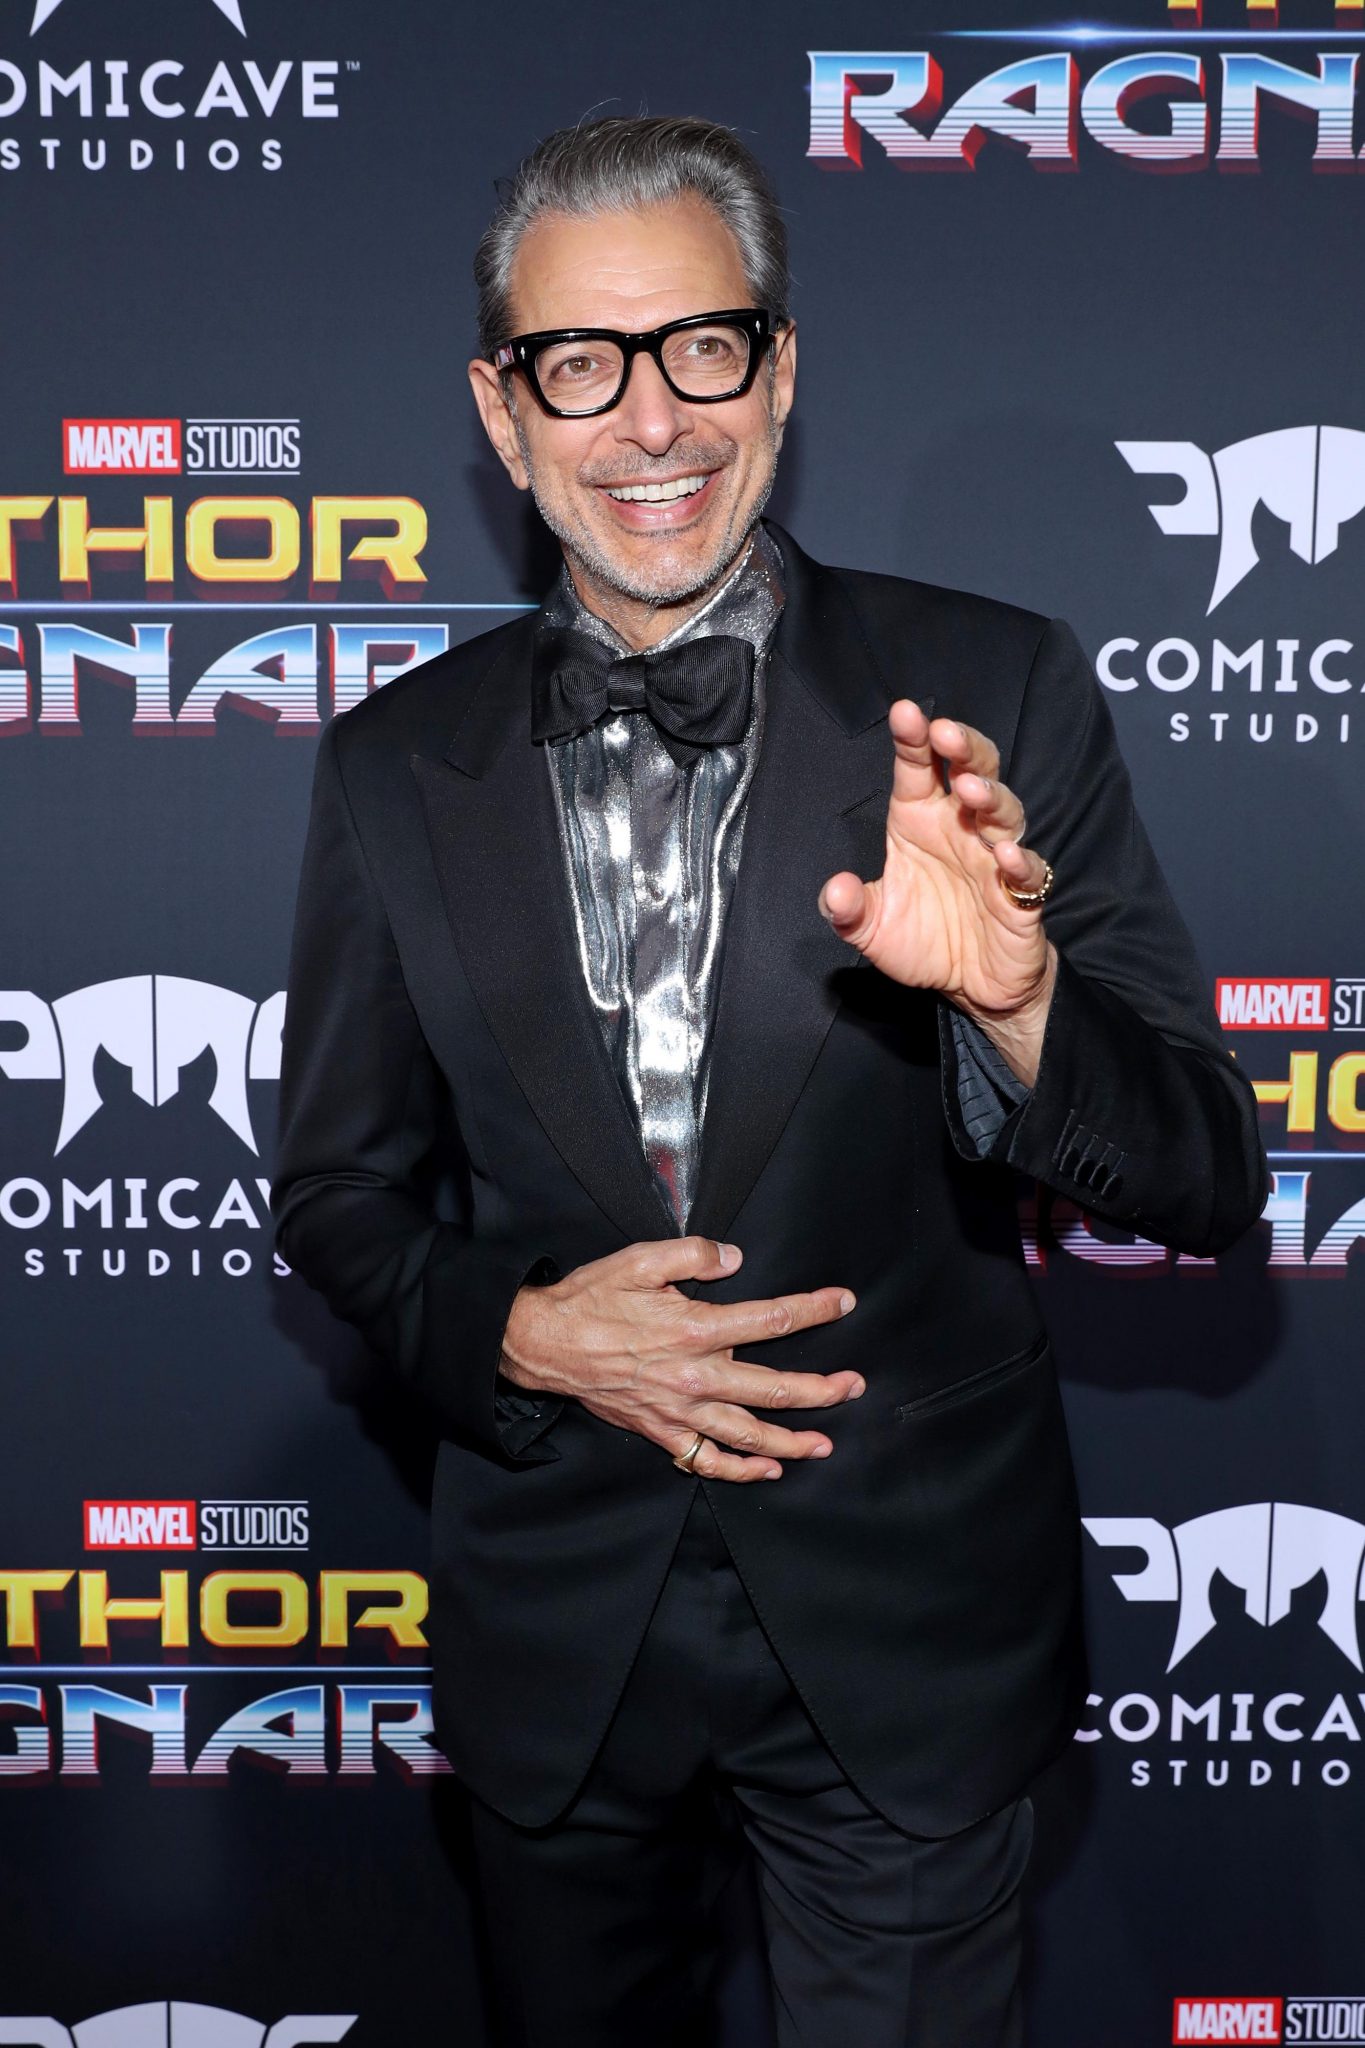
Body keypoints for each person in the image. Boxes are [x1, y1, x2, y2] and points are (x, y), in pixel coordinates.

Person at [272, 114, 1268, 2048]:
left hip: (911, 1626)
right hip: (558, 1636)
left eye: (701, 347)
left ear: (781, 372)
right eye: (581, 363)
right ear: (501, 414)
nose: (650, 421)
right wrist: (526, 1333)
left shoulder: (992, 690)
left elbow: (1205, 1174)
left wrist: (1016, 1004)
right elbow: (335, 1193)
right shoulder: (392, 762)